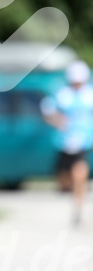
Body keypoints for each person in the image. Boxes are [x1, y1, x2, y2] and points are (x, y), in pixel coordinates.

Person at [40, 59, 93, 225]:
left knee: (80, 172)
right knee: (64, 177)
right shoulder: (61, 94)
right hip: (63, 142)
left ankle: (78, 207)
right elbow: (48, 112)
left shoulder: (90, 94)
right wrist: (58, 121)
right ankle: (68, 189)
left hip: (83, 141)